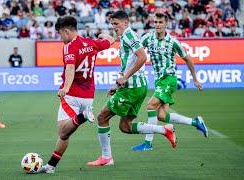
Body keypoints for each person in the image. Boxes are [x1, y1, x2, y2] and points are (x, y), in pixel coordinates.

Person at [86, 10, 177, 167]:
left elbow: (142, 56)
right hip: (136, 87)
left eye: (116, 24)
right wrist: (117, 84)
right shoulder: (125, 37)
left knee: (102, 117)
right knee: (125, 127)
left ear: (125, 23)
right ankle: (165, 130)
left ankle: (106, 158)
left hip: (132, 87)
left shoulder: (129, 35)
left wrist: (125, 77)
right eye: (112, 24)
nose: (114, 27)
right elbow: (128, 63)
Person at [39, 16, 114, 174]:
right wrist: (104, 36)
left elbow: (70, 69)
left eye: (60, 34)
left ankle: (83, 116)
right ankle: (51, 166)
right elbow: (111, 40)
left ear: (66, 31)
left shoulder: (69, 46)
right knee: (65, 134)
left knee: (62, 132)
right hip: (88, 96)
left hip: (72, 94)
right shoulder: (91, 43)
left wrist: (65, 88)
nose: (61, 38)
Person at [131, 11, 208, 151]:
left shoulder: (173, 42)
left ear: (166, 24)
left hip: (169, 79)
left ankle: (148, 143)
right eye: (155, 22)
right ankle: (195, 122)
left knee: (150, 105)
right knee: (161, 116)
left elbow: (188, 59)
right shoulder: (148, 38)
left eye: (160, 22)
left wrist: (195, 79)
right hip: (159, 81)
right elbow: (136, 50)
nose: (157, 25)